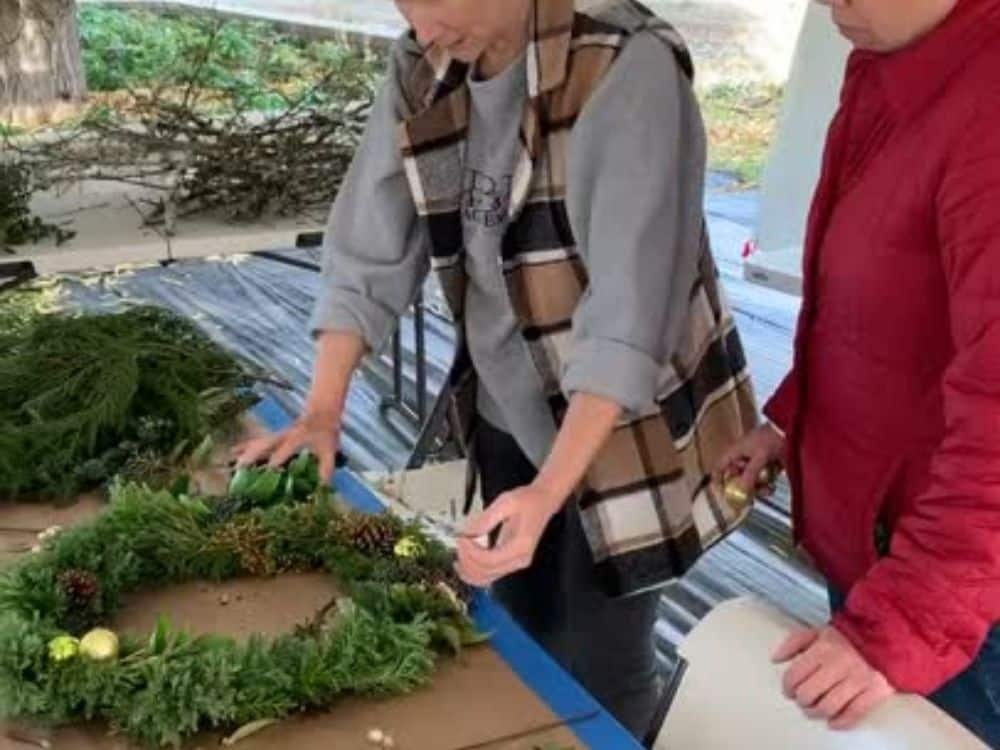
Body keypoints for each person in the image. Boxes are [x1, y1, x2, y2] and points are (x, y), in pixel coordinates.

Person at [237, 0, 758, 739]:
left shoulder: (624, 65)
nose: (419, 27)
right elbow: (370, 244)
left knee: (601, 664)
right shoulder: (427, 62)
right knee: (513, 630)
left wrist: (552, 489)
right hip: (508, 404)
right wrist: (322, 411)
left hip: (625, 431)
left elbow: (630, 317)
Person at [718, 0, 1000, 744]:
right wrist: (794, 416)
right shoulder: (896, 61)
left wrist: (905, 618)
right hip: (889, 544)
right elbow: (878, 310)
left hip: (962, 589)